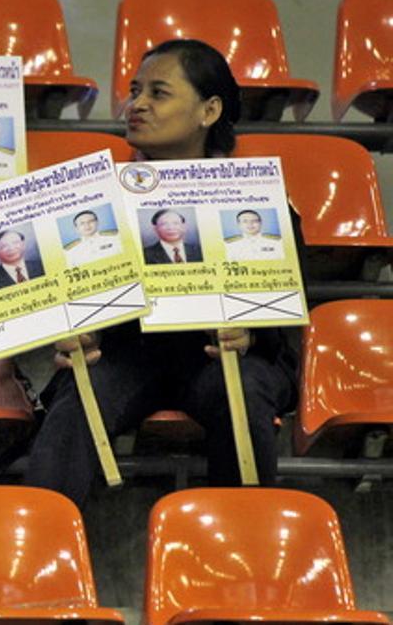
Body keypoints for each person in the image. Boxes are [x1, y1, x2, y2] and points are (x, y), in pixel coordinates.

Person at [26, 39, 298, 508]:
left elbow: (284, 324)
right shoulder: (90, 206)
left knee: (244, 391)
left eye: (158, 93)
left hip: (223, 358)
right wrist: (73, 337)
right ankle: (41, 556)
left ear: (209, 110)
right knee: (79, 394)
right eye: (135, 92)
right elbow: (64, 303)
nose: (138, 105)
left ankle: (246, 554)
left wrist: (252, 333)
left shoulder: (260, 201)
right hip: (128, 355)